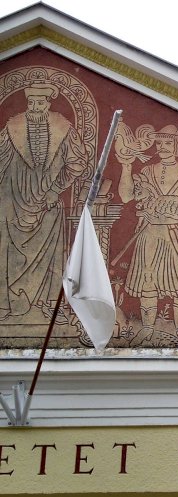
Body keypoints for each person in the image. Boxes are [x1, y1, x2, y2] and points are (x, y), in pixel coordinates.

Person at [0, 83, 87, 321]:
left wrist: (55, 189)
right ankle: (5, 305)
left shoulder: (63, 128)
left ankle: (49, 304)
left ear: (48, 104)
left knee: (52, 255)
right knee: (6, 252)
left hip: (48, 202)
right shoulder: (12, 127)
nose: (35, 107)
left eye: (40, 103)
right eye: (31, 103)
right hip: (13, 202)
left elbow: (78, 162)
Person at [118, 125, 178, 346]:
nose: (162, 147)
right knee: (148, 282)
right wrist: (126, 166)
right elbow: (126, 196)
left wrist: (177, 208)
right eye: (159, 143)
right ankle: (147, 329)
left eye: (168, 143)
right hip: (151, 233)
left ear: (177, 146)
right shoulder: (147, 172)